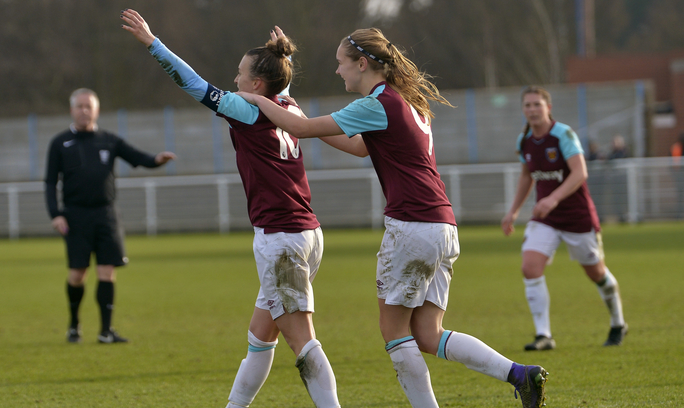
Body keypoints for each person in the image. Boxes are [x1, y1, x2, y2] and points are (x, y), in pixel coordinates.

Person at [237, 28, 548, 408]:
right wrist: (284, 99)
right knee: (428, 334)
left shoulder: (378, 103)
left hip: (411, 225)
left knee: (395, 333)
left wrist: (254, 96)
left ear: (362, 64)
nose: (339, 72)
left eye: (341, 64)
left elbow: (300, 128)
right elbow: (356, 148)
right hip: (442, 226)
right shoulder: (408, 101)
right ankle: (518, 374)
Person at [121, 9, 349, 408]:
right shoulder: (289, 107)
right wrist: (284, 58)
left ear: (257, 83)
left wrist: (153, 44)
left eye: (241, 73)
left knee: (302, 339)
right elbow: (279, 84)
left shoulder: (251, 108)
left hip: (281, 238)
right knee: (260, 338)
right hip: (306, 234)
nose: (235, 79)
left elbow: (192, 84)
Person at [501, 86, 628, 352]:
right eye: (528, 105)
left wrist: (553, 198)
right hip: (545, 219)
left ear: (548, 107)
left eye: (537, 104)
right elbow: (526, 176)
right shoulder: (524, 140)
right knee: (530, 267)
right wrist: (513, 211)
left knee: (596, 273)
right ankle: (543, 335)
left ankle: (618, 322)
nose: (532, 110)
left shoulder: (563, 134)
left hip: (577, 217)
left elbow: (580, 172)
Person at [44, 88, 176, 344]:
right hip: (75, 216)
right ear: (72, 110)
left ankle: (106, 331)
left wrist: (157, 160)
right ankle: (74, 325)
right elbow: (50, 182)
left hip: (106, 215)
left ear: (97, 110)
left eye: (88, 106)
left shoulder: (109, 140)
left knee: (107, 271)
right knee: (77, 274)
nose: (84, 111)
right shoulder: (60, 143)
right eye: (80, 106)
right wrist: (56, 214)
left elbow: (137, 157)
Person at [670, 133, 684, 218]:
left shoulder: (676, 147)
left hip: (678, 176)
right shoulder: (676, 148)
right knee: (680, 195)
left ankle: (679, 213)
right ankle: (679, 213)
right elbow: (673, 164)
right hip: (679, 176)